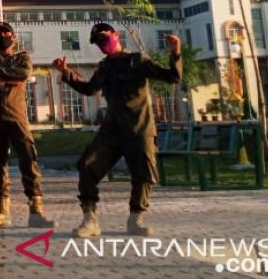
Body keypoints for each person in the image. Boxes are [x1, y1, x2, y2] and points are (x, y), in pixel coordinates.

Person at [52, 23, 181, 237]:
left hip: (138, 127)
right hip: (112, 130)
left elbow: (172, 77)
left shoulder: (137, 60)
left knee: (144, 174)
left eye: (104, 39)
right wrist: (65, 72)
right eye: (98, 43)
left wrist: (175, 52)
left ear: (116, 35)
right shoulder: (104, 68)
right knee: (87, 165)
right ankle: (90, 219)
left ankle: (135, 219)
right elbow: (89, 89)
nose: (103, 46)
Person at [0, 21, 56, 229]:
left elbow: (23, 74)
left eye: (6, 32)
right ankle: (2, 211)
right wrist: (4, 79)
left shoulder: (22, 57)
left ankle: (36, 211)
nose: (3, 36)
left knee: (28, 161)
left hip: (16, 117)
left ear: (13, 36)